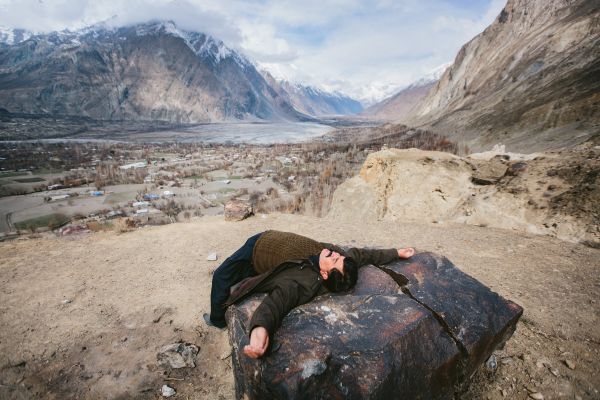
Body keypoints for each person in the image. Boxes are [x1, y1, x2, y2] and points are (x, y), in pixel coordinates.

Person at [203, 230, 415, 358]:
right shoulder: (335, 260)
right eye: (337, 256)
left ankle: (217, 320)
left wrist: (259, 336)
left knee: (221, 276)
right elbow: (362, 254)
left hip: (254, 252)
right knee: (234, 276)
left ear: (323, 274)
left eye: (333, 259)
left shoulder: (301, 282)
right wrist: (397, 253)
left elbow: (274, 305)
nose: (334, 254)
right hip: (265, 240)